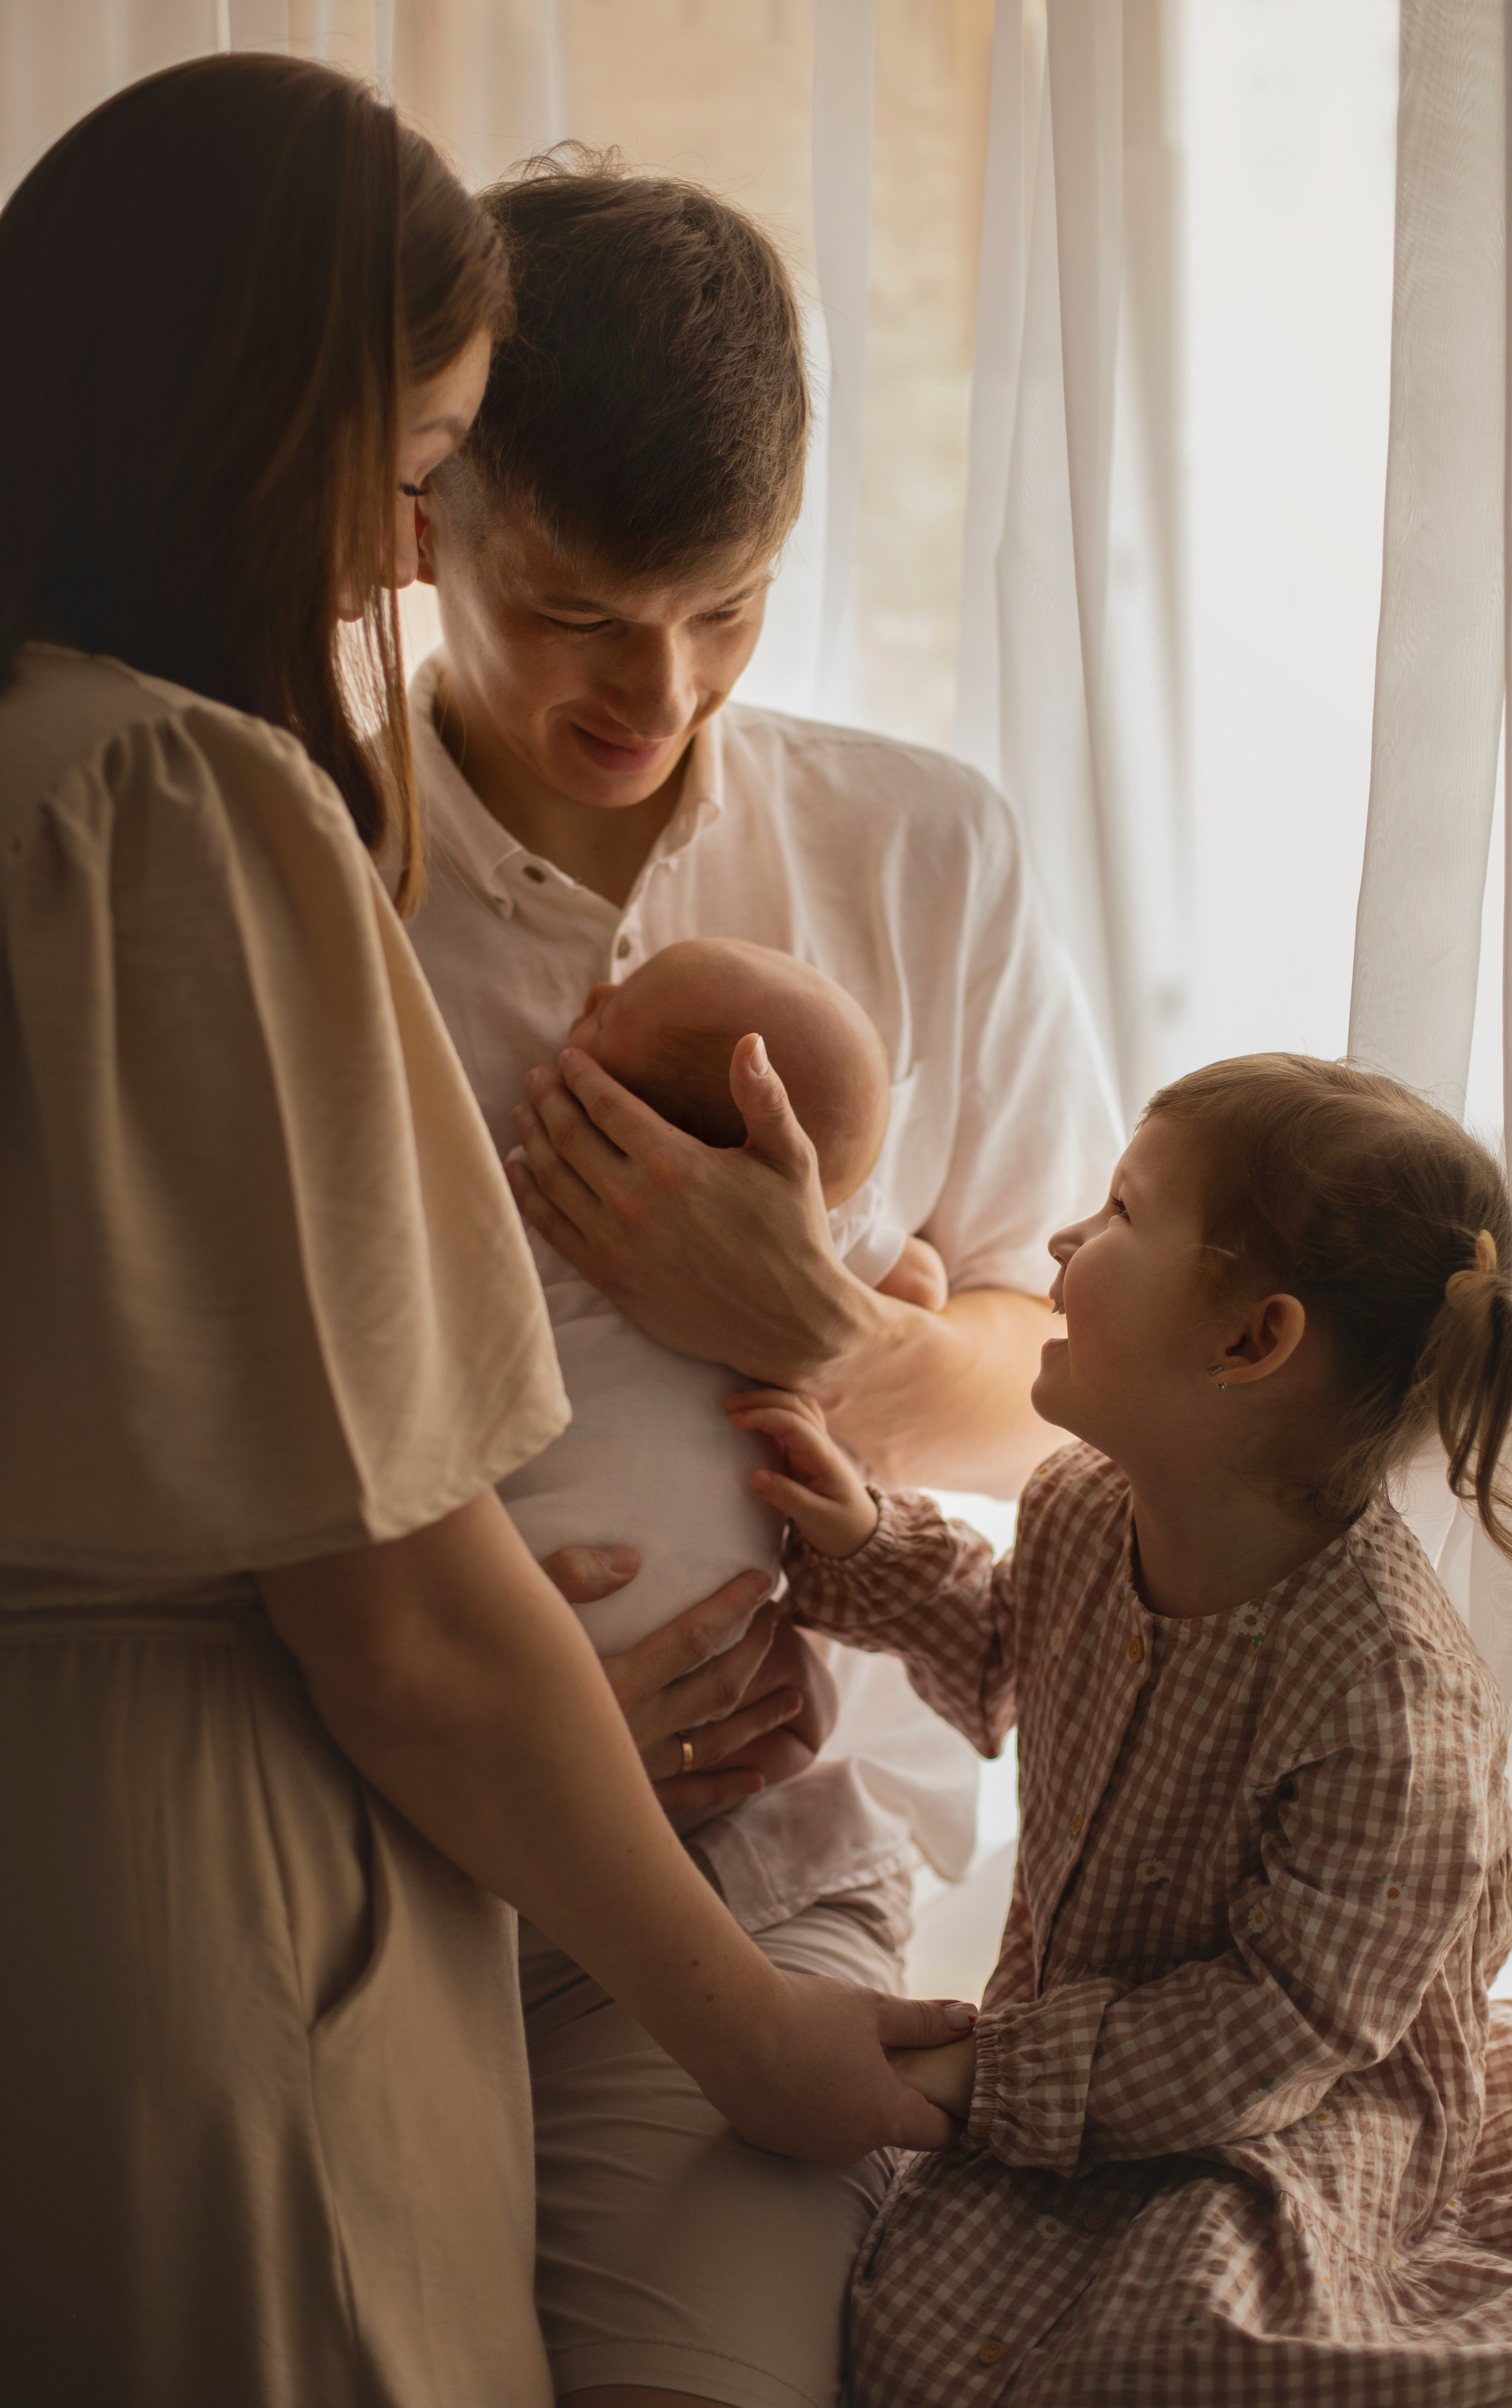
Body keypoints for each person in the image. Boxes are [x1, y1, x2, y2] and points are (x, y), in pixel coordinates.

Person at [0, 62, 966, 2408]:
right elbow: (408, 1628)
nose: (396, 542)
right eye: (422, 477)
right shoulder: (196, 796)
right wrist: (746, 2029)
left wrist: (820, 1338)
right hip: (283, 1848)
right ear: (265, 421)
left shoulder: (60, 757)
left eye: (717, 613)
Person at [405, 152, 1118, 2408]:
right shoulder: (280, 853)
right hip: (340, 1847)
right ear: (427, 519)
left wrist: (823, 1335)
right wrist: (492, 1757)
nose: (662, 685)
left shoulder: (920, 850)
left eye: (725, 608)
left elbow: (1064, 1396)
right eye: (580, 608)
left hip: (749, 1871)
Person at [739, 1054, 1512, 2407]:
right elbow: (1004, 1663)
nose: (1059, 1240)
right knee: (913, 2326)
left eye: (1115, 1212)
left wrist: (975, 2071)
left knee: (1185, 2345)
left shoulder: (1387, 1701)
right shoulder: (1079, 1505)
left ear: (1248, 1343)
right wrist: (867, 1536)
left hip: (1295, 2096)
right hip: (1087, 2039)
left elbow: (1277, 2031)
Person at [503, 938, 948, 1665]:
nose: (595, 995)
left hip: (539, 1579)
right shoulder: (813, 1225)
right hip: (731, 1597)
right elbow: (924, 1288)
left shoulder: (539, 1185)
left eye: (610, 1018)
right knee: (794, 1697)